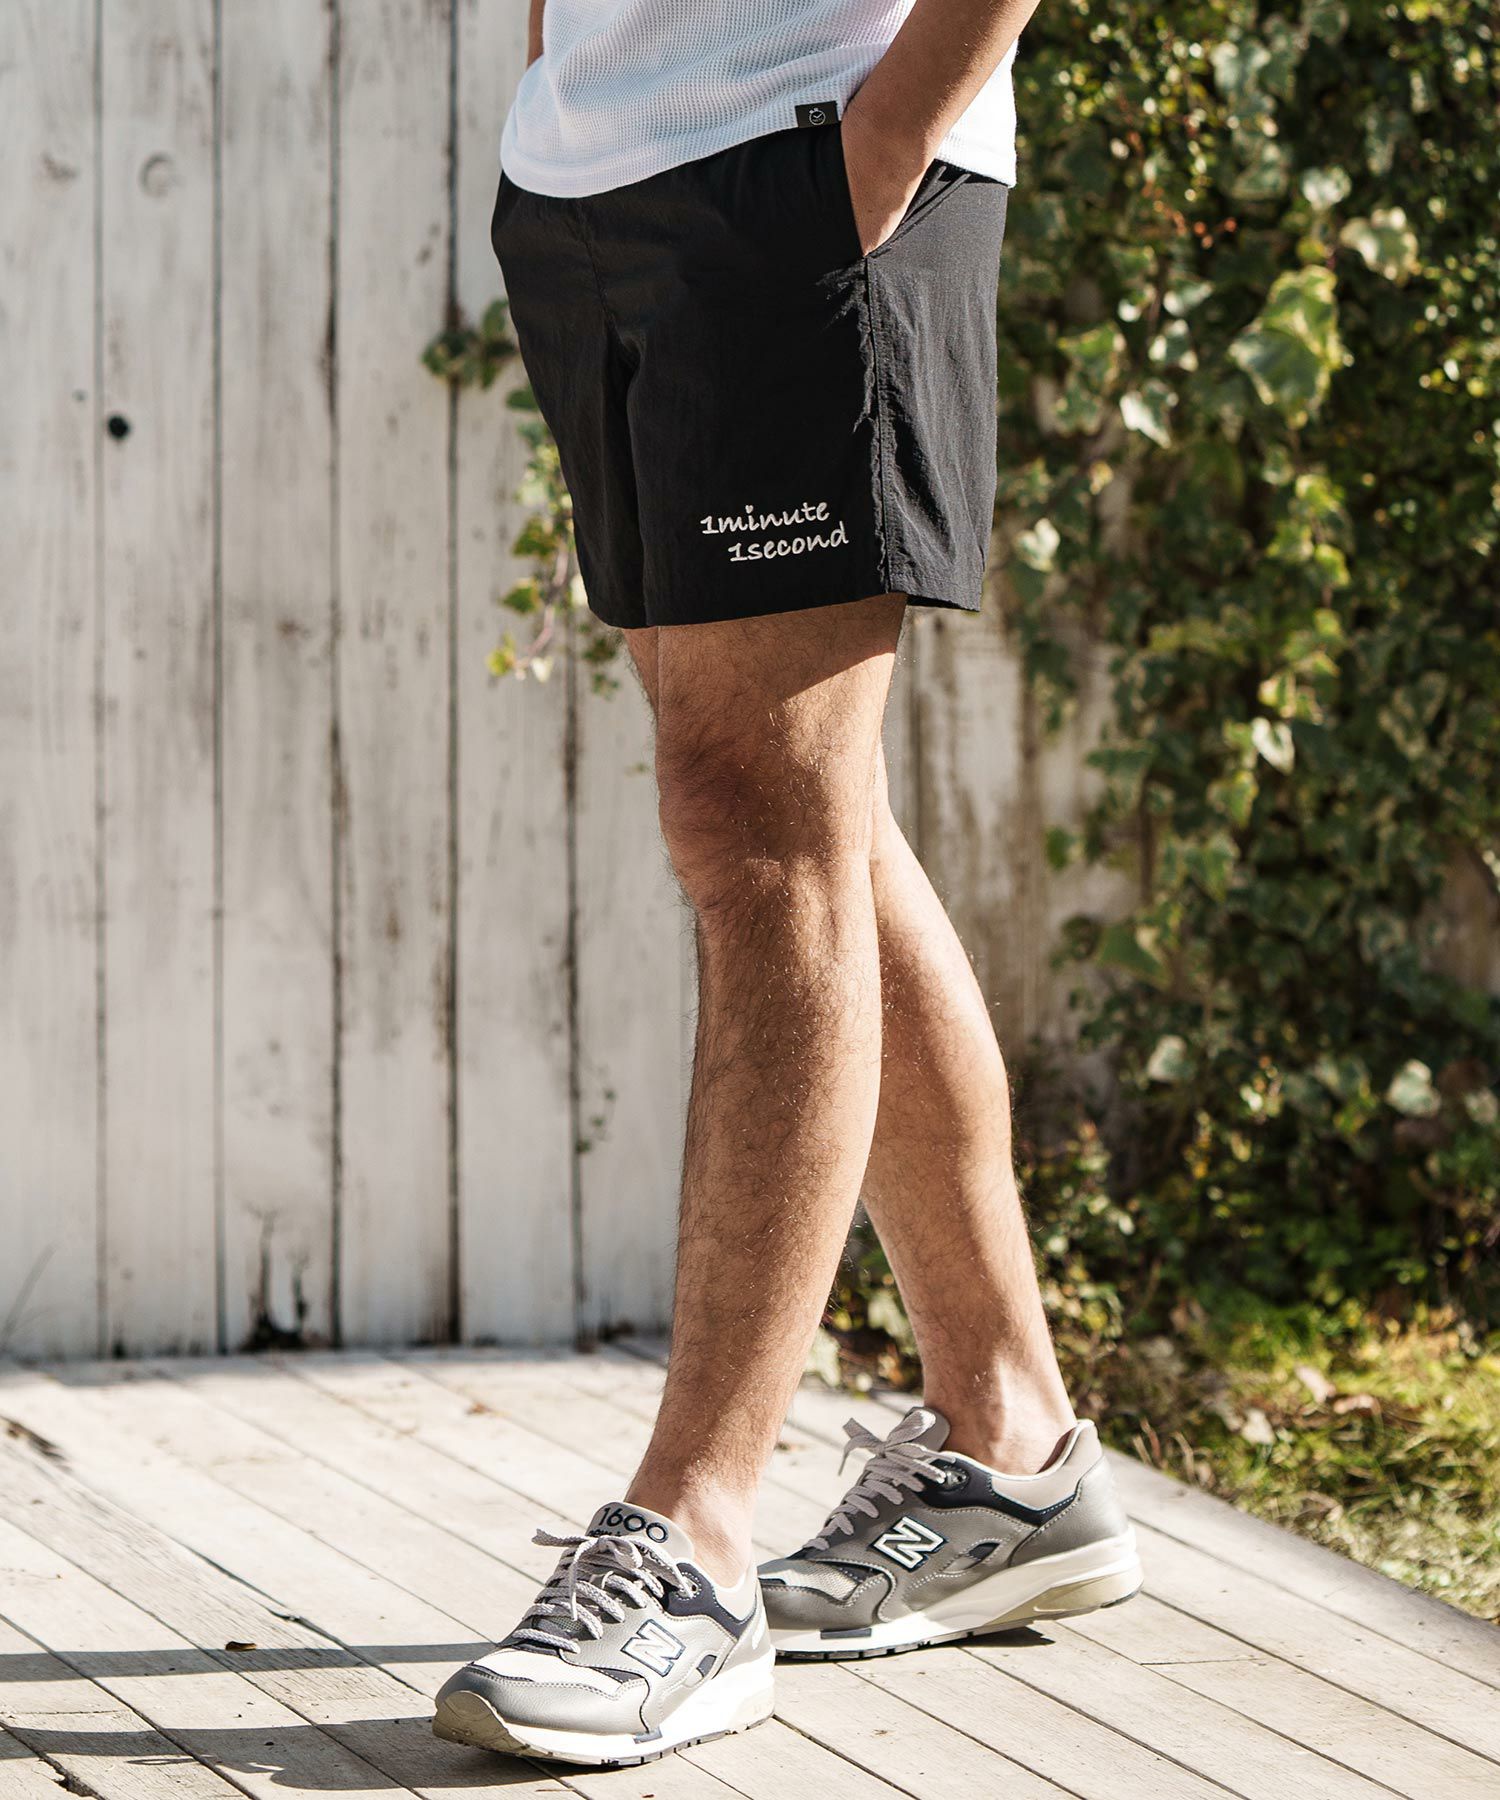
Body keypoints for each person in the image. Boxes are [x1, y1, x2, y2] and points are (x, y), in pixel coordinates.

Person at [434, 0, 1140, 1769]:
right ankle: (1009, 1445)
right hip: (600, 163)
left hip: (812, 145)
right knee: (780, 807)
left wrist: (890, 132)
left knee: (765, 833)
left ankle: (695, 1542)